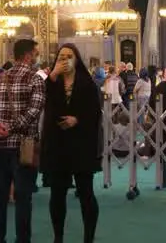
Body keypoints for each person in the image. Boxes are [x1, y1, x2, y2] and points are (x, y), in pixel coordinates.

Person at [0, 39, 45, 243]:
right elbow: (34, 110)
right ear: (27, 56)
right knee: (23, 197)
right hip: (23, 146)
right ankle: (22, 240)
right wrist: (14, 127)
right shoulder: (35, 80)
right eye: (35, 54)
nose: (37, 58)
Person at [41, 44, 100, 243]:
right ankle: (58, 237)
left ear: (76, 59)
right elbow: (43, 101)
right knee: (57, 194)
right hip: (57, 144)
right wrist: (53, 76)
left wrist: (78, 120)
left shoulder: (87, 83)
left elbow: (94, 113)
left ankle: (88, 237)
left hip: (81, 144)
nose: (65, 59)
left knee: (86, 193)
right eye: (61, 56)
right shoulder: (52, 82)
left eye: (69, 56)